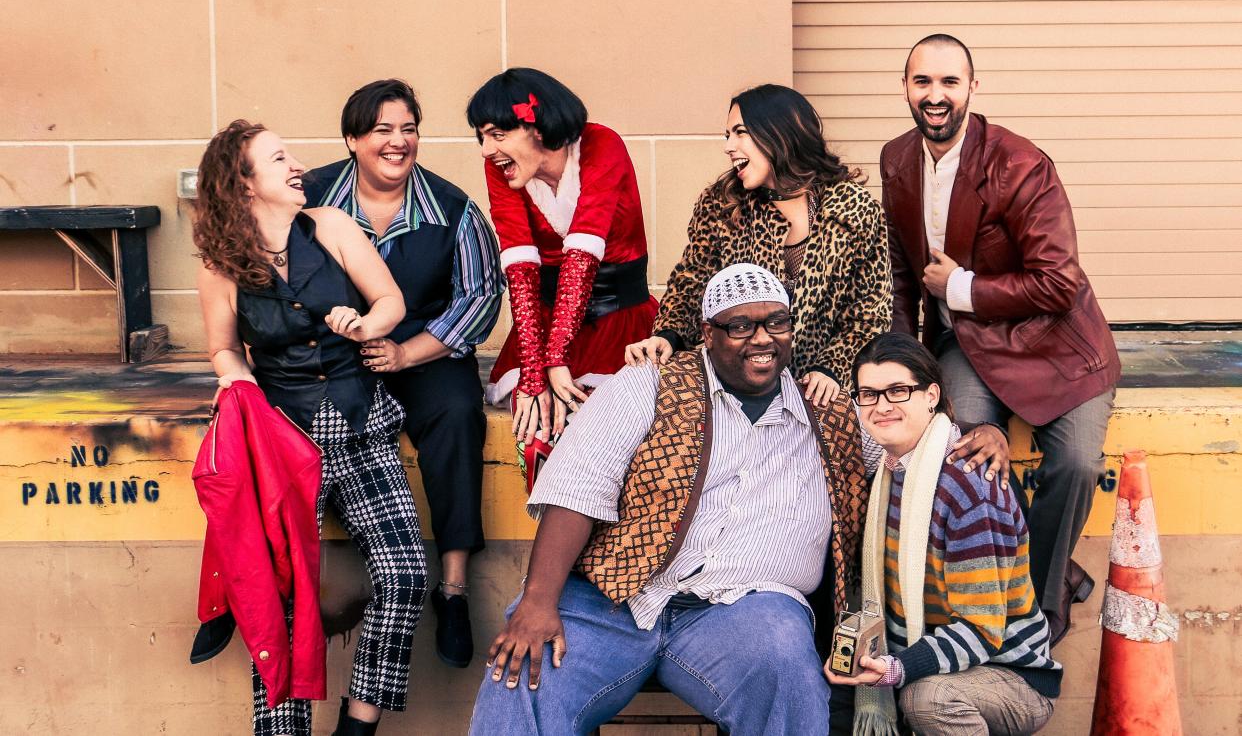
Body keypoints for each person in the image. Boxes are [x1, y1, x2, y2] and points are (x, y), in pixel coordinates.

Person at [468, 264, 873, 736]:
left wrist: (979, 436)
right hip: (615, 598)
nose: (762, 339)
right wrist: (538, 601)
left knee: (787, 672)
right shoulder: (651, 385)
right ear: (707, 334)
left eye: (776, 323)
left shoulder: (828, 413)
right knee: (519, 675)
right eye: (741, 326)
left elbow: (908, 450)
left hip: (748, 611)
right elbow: (577, 485)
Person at [881, 34, 1120, 643]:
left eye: (949, 83)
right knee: (964, 455)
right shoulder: (897, 159)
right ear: (905, 87)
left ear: (972, 89)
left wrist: (960, 286)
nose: (936, 97)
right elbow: (905, 274)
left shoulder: (1020, 163)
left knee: (1075, 463)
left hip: (1058, 344)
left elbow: (1058, 282)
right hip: (967, 344)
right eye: (922, 82)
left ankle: (1036, 612)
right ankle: (1017, 587)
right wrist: (905, 361)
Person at [194, 120, 426, 736]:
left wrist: (368, 327)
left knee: (406, 576)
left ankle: (358, 726)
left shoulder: (332, 226)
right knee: (285, 602)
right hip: (283, 442)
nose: (296, 165)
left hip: (361, 425)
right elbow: (223, 350)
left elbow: (391, 303)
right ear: (244, 184)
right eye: (278, 159)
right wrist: (235, 381)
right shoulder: (221, 266)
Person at [302, 79, 504, 669]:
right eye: (383, 130)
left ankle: (454, 588)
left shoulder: (453, 207)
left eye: (408, 129)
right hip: (335, 354)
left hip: (426, 350)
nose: (398, 142)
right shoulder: (310, 197)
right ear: (352, 139)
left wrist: (408, 353)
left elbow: (480, 297)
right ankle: (291, 584)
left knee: (458, 416)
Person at [827, 332, 1061, 736]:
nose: (882, 406)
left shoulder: (970, 486)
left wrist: (896, 670)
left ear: (931, 395)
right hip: (933, 659)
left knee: (928, 700)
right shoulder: (889, 471)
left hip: (1008, 673)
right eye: (868, 394)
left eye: (898, 390)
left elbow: (981, 629)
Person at [625, 84, 890, 408]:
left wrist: (831, 370)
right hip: (736, 392)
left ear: (779, 133)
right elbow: (692, 285)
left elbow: (870, 313)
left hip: (821, 398)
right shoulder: (721, 205)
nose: (729, 146)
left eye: (740, 132)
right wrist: (668, 336)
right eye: (727, 135)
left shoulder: (855, 209)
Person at [465, 67, 658, 454]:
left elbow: (582, 260)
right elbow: (519, 269)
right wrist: (535, 372)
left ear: (537, 128)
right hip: (547, 319)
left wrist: (555, 360)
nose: (486, 150)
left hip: (617, 322)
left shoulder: (602, 144)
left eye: (498, 135)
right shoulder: (500, 168)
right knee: (535, 416)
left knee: (601, 416)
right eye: (483, 137)